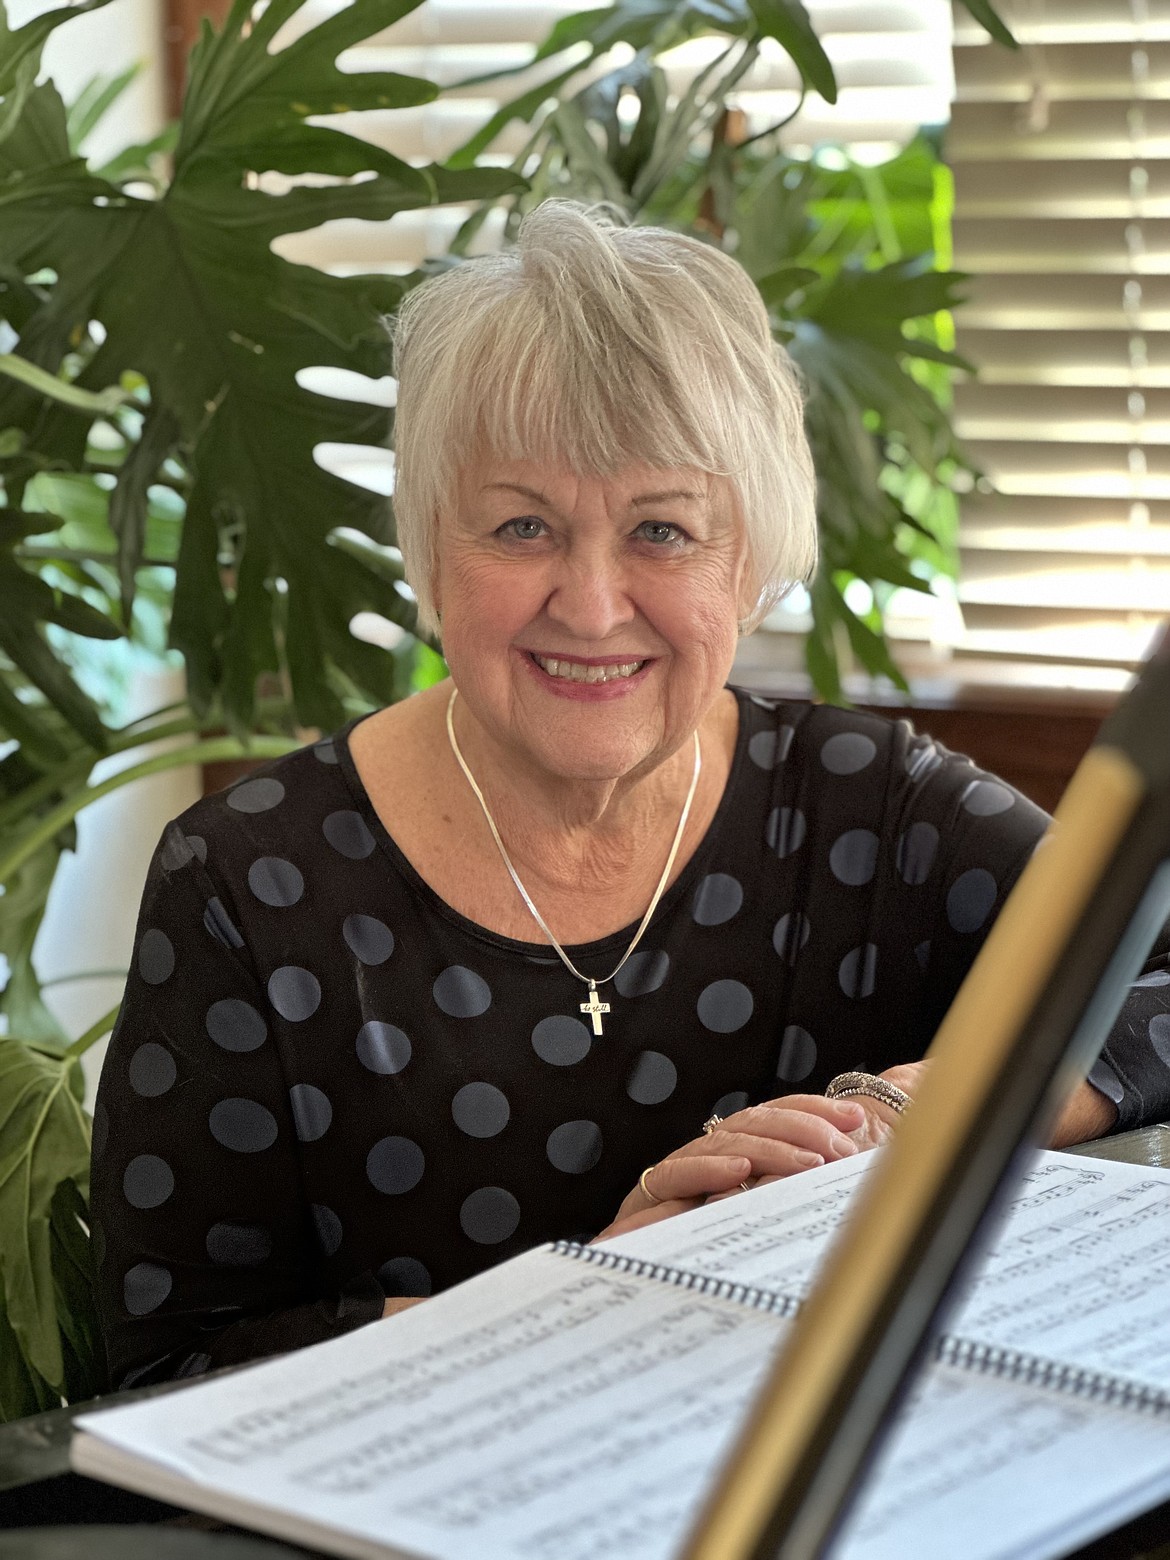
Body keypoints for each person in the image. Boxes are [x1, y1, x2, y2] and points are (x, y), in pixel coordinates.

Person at [90, 201, 1170, 1390]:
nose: (594, 606)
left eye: (663, 529)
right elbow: (167, 1366)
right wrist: (595, 1302)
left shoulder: (881, 811)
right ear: (429, 545)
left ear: (748, 559)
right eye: (522, 526)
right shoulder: (246, 881)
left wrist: (919, 1114)